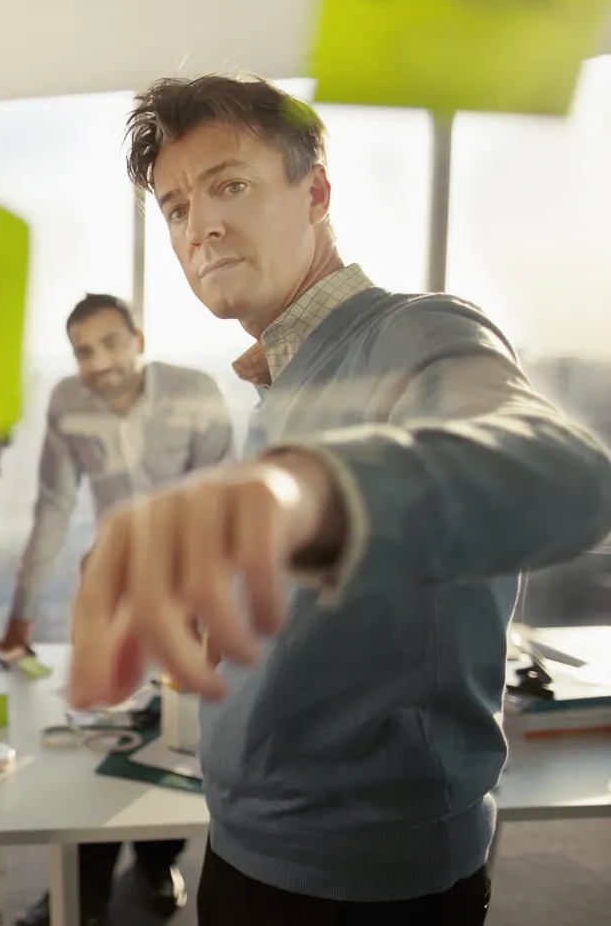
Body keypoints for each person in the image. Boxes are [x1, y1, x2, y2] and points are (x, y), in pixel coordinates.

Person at [68, 74, 611, 925]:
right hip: (249, 847)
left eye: (229, 186)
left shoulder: (421, 331)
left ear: (316, 193)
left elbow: (563, 477)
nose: (199, 226)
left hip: (365, 886)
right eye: (175, 208)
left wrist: (302, 495)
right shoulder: (281, 377)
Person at [4, 293, 234, 926]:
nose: (98, 362)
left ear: (139, 340)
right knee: (97, 737)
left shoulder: (194, 392)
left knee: (179, 736)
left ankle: (157, 861)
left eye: (109, 344)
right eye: (83, 351)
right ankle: (80, 890)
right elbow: (53, 505)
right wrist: (21, 614)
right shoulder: (67, 403)